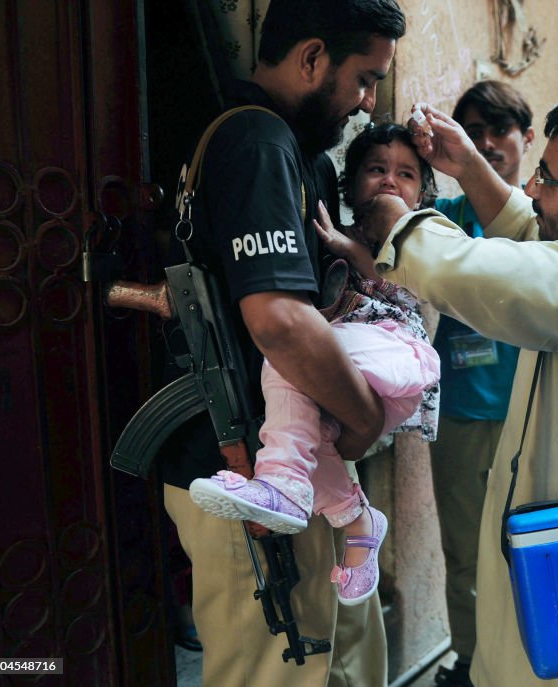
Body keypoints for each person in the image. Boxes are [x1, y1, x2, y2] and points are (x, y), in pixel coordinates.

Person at [358, 87, 558, 686]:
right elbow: (533, 238)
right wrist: (471, 167)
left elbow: (477, 274)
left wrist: (399, 226)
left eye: (547, 177)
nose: (532, 188)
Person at [158, 1, 406, 684]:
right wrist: (364, 417)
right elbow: (280, 320)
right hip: (248, 474)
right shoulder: (256, 143)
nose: (367, 102)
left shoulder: (293, 154)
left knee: (345, 655)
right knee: (275, 670)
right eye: (363, 78)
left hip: (300, 464)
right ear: (312, 58)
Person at [188, 123, 441, 606]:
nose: (390, 181)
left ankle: (281, 483)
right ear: (349, 182)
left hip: (397, 352)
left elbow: (412, 289)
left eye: (406, 174)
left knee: (292, 354)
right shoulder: (333, 226)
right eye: (376, 169)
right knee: (309, 425)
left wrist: (355, 254)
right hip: (358, 359)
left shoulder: (421, 237)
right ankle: (357, 519)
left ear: (424, 191)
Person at [426, 80, 532, 687]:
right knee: (466, 553)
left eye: (501, 131)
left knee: (525, 550)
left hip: (534, 417)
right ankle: (470, 663)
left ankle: (525, 661)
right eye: (476, 131)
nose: (489, 144)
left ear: (527, 139)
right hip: (463, 414)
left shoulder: (547, 226)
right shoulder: (442, 220)